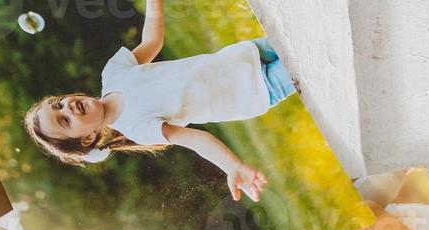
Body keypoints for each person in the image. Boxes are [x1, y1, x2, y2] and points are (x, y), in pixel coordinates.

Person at [23, 0, 292, 201]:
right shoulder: (139, 129)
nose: (67, 107)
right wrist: (233, 166)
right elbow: (196, 140)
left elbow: (152, 41)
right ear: (86, 139)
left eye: (58, 104)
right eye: (65, 120)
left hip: (243, 55)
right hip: (257, 90)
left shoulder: (113, 73)